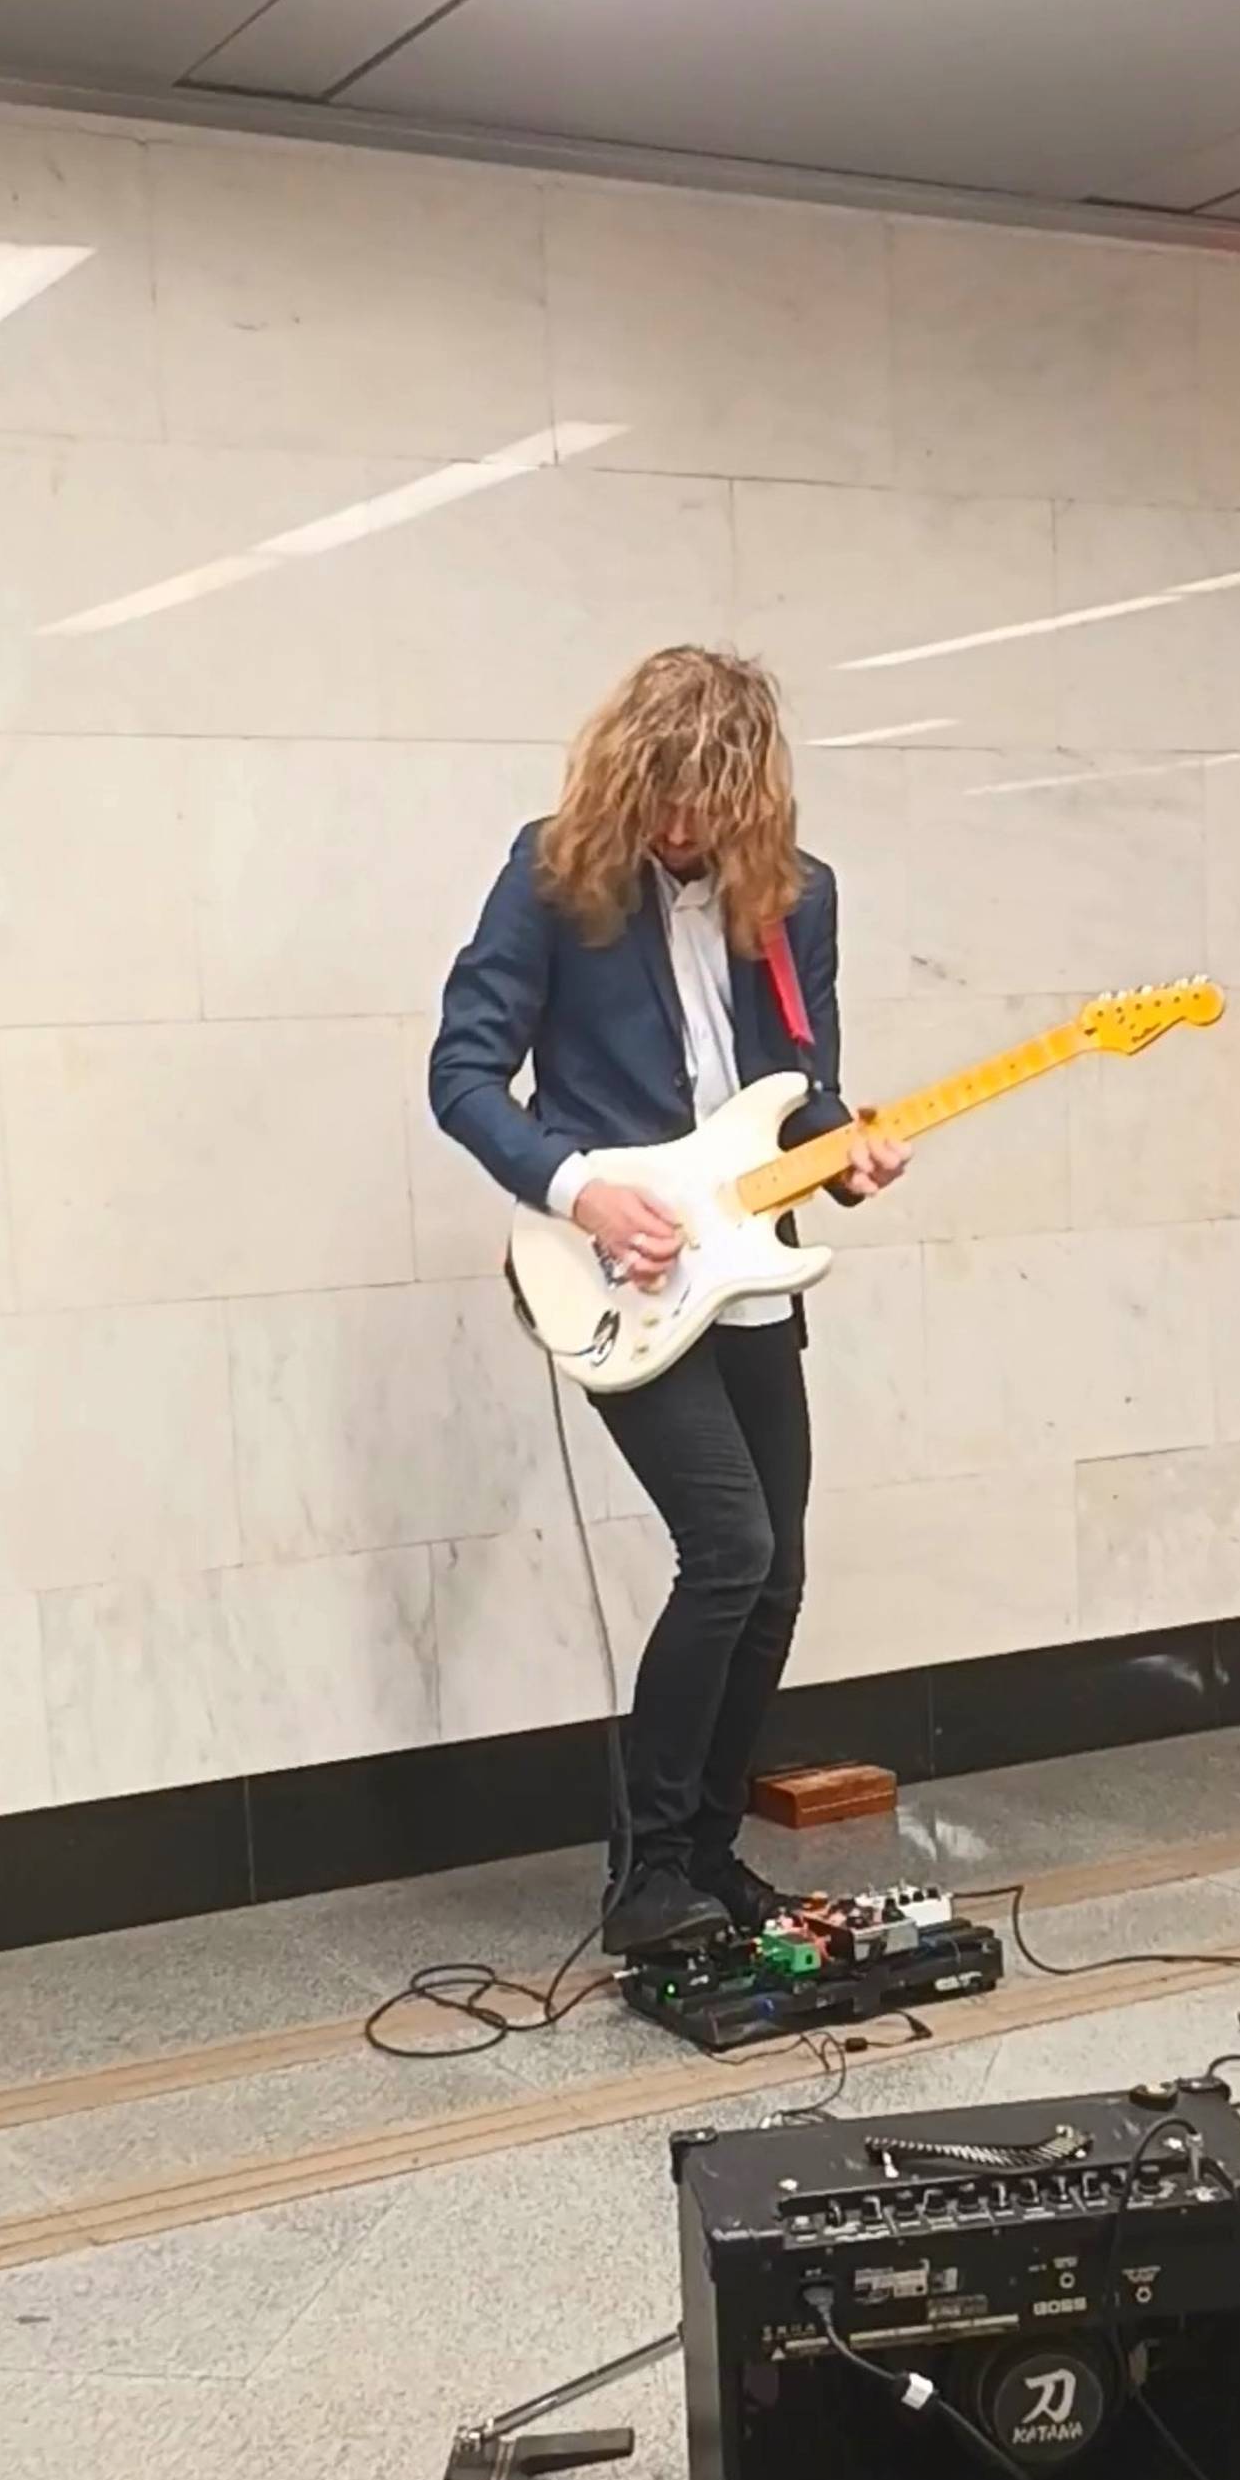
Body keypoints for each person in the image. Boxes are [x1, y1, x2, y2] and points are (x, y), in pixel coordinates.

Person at [429, 646, 908, 1955]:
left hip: (746, 1265)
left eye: (708, 800)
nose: (682, 824)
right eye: (663, 793)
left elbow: (803, 1083)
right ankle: (642, 1877)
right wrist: (581, 1190)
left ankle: (703, 1855)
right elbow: (462, 1073)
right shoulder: (553, 871)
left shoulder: (797, 896)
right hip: (616, 1271)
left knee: (777, 1575)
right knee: (729, 1548)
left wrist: (846, 1151)